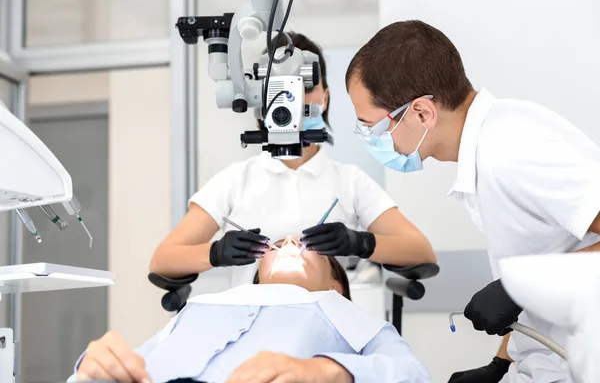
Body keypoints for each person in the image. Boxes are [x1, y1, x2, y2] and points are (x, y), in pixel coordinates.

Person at [345, 20, 600, 383]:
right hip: (544, 364)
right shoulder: (489, 149)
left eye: (373, 128)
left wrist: (520, 288)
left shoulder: (512, 150)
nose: (372, 141)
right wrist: (501, 363)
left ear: (421, 113)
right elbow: (548, 251)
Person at [150, 32, 435, 288]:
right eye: (281, 88)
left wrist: (359, 243)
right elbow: (163, 261)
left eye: (306, 85)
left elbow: (421, 251)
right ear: (260, 99)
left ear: (325, 96)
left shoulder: (349, 181)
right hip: (251, 330)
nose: (294, 98)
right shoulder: (235, 181)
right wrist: (215, 253)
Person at [71, 236, 431, 383]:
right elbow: (125, 365)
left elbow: (413, 374)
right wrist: (94, 369)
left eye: (306, 244)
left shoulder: (349, 316)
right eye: (278, 243)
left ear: (337, 285)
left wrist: (328, 371)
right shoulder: (200, 308)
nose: (290, 243)